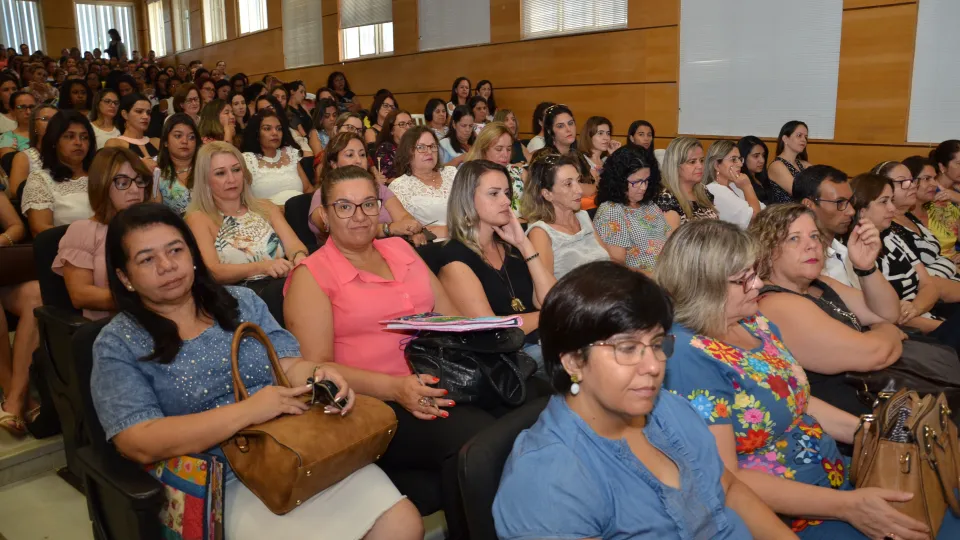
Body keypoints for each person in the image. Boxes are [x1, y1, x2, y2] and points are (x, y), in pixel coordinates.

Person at [91, 203, 423, 540]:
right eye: (147, 259)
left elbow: (289, 364)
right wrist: (249, 412)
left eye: (175, 250)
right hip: (220, 483)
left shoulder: (240, 302)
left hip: (298, 450)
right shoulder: (118, 342)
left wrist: (319, 373)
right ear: (124, 277)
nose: (167, 266)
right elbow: (138, 440)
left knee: (402, 523)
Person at [659, 219, 960, 539]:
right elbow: (729, 479)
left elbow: (797, 401)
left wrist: (874, 433)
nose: (758, 285)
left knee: (943, 502)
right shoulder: (689, 357)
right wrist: (847, 505)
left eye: (754, 273)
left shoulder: (752, 322)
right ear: (702, 286)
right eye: (742, 279)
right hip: (790, 513)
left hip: (838, 478)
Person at [493, 261, 795, 540]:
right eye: (627, 348)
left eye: (657, 344)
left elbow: (728, 490)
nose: (653, 366)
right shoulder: (549, 479)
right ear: (573, 361)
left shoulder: (669, 409)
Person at [750, 203, 910, 416]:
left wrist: (866, 268)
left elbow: (888, 313)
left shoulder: (818, 284)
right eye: (794, 238)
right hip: (854, 414)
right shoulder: (776, 303)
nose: (811, 246)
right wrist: (889, 332)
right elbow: (874, 353)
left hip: (881, 389)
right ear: (767, 250)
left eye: (814, 236)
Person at [437, 160, 557, 367]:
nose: (505, 202)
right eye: (494, 194)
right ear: (467, 199)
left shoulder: (512, 248)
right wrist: (547, 316)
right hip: (506, 360)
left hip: (543, 342)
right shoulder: (453, 257)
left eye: (507, 193)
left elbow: (552, 301)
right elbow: (493, 331)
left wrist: (524, 244)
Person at [850, 173, 960, 346]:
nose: (892, 209)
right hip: (912, 333)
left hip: (928, 311)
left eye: (892, 201)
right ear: (862, 210)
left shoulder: (891, 236)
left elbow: (929, 284)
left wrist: (916, 307)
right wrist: (946, 328)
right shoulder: (856, 250)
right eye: (884, 202)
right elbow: (887, 316)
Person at [186, 141, 308, 293]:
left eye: (236, 170)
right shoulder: (199, 219)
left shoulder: (265, 207)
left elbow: (295, 246)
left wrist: (299, 257)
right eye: (220, 173)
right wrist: (263, 267)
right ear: (205, 180)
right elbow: (213, 271)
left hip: (284, 287)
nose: (231, 179)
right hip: (240, 298)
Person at [53, 147, 152, 320]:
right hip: (109, 331)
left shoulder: (153, 228)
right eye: (122, 182)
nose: (135, 190)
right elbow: (80, 295)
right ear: (102, 185)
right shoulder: (83, 230)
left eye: (139, 180)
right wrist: (146, 298)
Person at [308, 133, 423, 245]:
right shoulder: (323, 194)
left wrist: (412, 230)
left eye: (362, 155)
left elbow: (403, 216)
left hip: (392, 248)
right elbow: (335, 228)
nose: (359, 160)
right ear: (333, 164)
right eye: (350, 155)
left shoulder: (379, 189)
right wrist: (388, 229)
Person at [523, 153, 609, 279]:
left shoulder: (583, 217)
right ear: (547, 194)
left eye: (578, 181)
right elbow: (545, 292)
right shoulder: (541, 232)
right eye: (568, 184)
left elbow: (608, 262)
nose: (579, 190)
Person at [874, 160, 960, 283]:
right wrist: (950, 265)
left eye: (912, 180)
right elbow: (913, 278)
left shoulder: (909, 217)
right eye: (903, 182)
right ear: (883, 188)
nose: (913, 185)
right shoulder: (886, 228)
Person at [0, 189, 42, 436]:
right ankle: (16, 396)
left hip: (3, 274)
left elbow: (16, 226)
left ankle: (15, 396)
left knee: (37, 293)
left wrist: (2, 239)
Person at [594, 146, 670, 273]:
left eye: (646, 180)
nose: (643, 187)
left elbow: (670, 242)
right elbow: (617, 267)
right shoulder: (611, 210)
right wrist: (656, 279)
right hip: (641, 283)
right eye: (636, 182)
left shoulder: (650, 205)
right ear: (619, 181)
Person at [20, 110, 96, 235]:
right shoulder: (40, 179)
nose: (78, 142)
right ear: (54, 142)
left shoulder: (101, 174)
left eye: (84, 137)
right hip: (66, 250)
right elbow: (41, 231)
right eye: (69, 136)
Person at [389, 127, 456, 240]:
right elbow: (407, 229)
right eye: (421, 147)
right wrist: (454, 231)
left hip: (471, 236)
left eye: (432, 146)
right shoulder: (400, 186)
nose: (429, 152)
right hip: (434, 244)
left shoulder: (452, 173)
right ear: (408, 151)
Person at [240, 109, 311, 206]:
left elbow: (307, 189)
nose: (275, 133)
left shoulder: (289, 152)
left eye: (279, 129)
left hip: (300, 211)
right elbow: (244, 201)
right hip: (269, 216)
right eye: (267, 129)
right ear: (257, 133)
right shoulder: (247, 159)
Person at [462, 122, 526, 214]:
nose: (505, 155)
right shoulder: (471, 175)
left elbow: (534, 207)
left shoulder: (519, 172)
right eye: (499, 149)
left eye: (508, 149)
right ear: (484, 149)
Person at [905, 154, 960, 259]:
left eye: (934, 178)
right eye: (927, 179)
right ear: (908, 182)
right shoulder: (897, 216)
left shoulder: (944, 207)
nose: (934, 184)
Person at [656, 136, 718, 228]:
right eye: (692, 162)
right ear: (675, 165)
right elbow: (671, 241)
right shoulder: (666, 199)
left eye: (701, 160)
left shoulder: (703, 190)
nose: (700, 166)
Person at [703, 139, 763, 228]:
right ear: (717, 165)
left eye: (739, 159)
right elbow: (755, 218)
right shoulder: (714, 190)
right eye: (733, 159)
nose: (740, 164)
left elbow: (765, 212)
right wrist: (748, 187)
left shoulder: (734, 186)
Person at [5, 103, 55, 195]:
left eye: (56, 120)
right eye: (45, 119)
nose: (52, 123)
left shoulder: (69, 154)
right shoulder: (24, 157)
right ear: (34, 126)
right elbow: (15, 191)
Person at [155, 113, 199, 216]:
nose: (185, 141)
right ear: (165, 142)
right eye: (178, 136)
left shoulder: (207, 166)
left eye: (191, 137)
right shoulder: (158, 173)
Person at [104, 93, 160, 169]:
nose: (145, 116)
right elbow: (110, 174)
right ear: (125, 114)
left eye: (148, 112)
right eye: (139, 111)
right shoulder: (115, 144)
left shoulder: (157, 142)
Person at [767, 120, 812, 203]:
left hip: (803, 211)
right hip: (786, 213)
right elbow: (798, 192)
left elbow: (820, 185)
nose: (804, 140)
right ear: (785, 139)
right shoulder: (777, 165)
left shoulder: (804, 164)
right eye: (799, 135)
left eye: (805, 137)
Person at [373, 109, 413, 180]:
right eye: (402, 124)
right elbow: (389, 180)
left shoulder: (416, 146)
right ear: (391, 130)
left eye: (410, 123)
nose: (408, 127)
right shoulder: (385, 149)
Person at [737, 135, 771, 204]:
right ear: (743, 157)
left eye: (763, 155)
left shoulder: (762, 177)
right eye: (756, 156)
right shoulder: (740, 180)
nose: (762, 160)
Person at [0, 91, 35, 156]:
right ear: (12, 111)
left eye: (32, 107)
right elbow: (8, 164)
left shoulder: (44, 132)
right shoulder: (7, 138)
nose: (28, 112)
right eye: (22, 107)